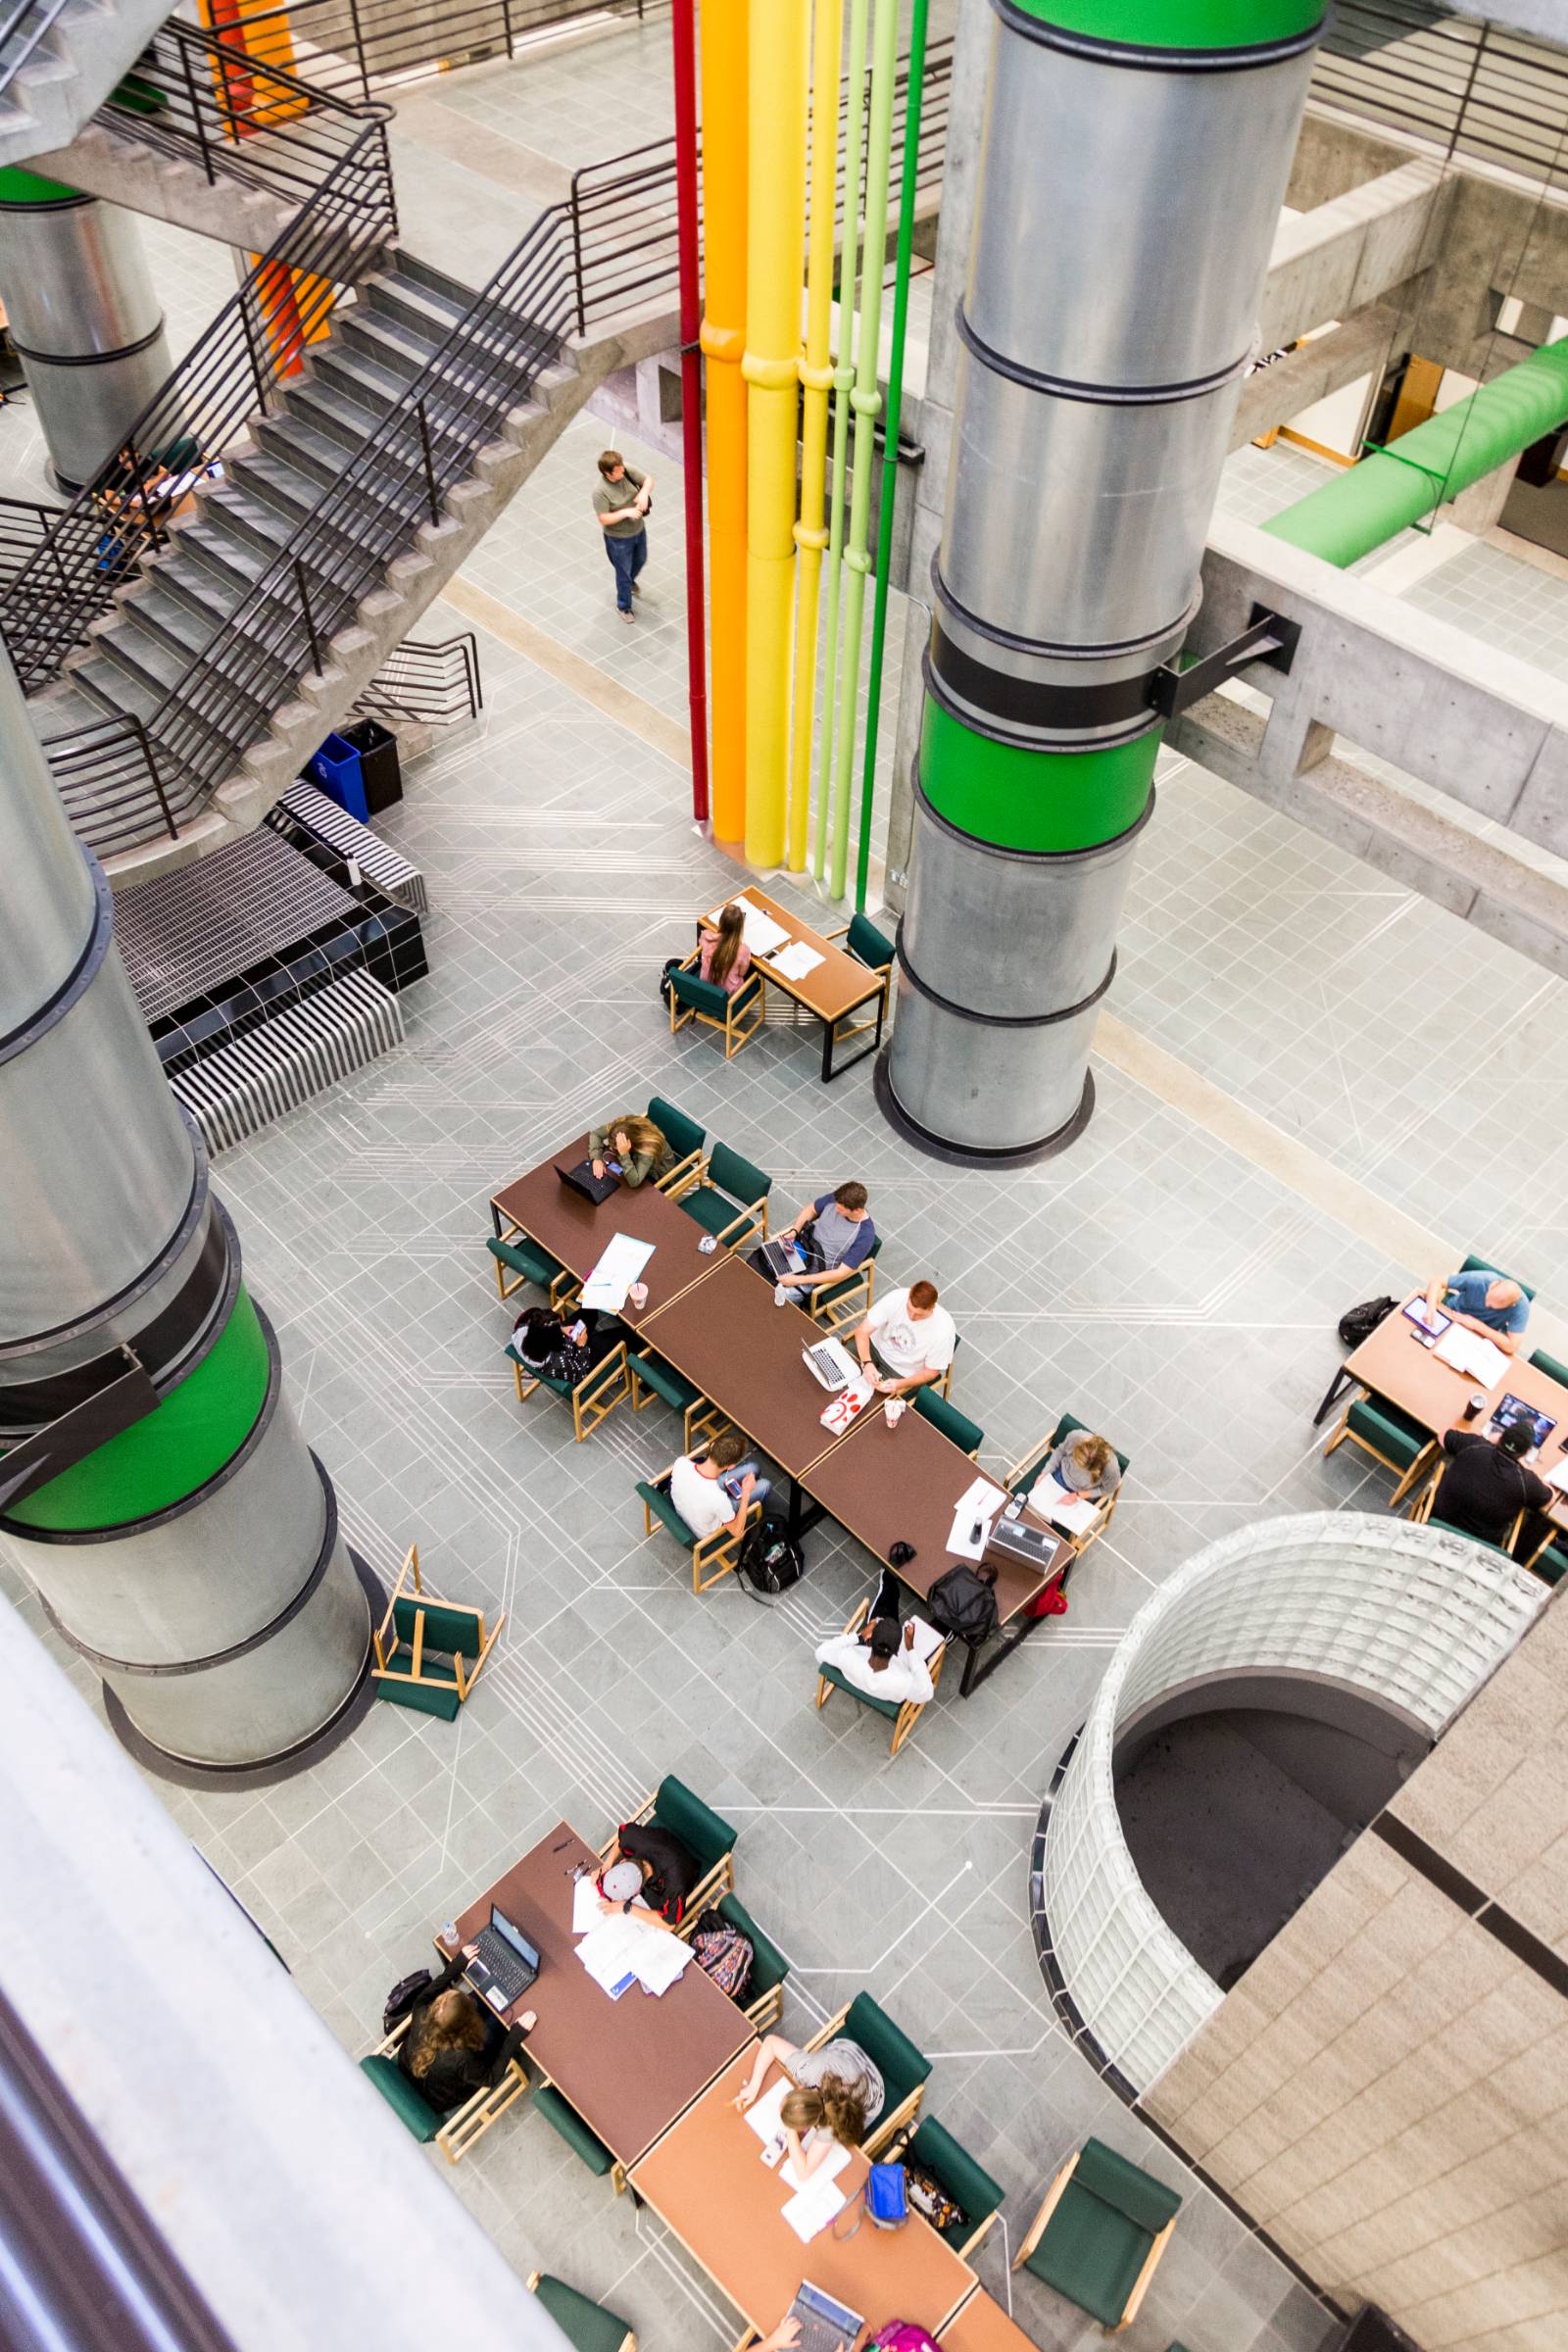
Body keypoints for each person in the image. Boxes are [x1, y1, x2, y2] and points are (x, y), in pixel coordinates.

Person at [733, 2029, 885, 2181]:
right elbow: (771, 2042)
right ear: (802, 2090)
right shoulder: (808, 2071)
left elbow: (803, 2173)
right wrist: (754, 2084)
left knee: (842, 2142)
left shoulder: (833, 2120)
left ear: (813, 2124)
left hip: (874, 2089)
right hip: (847, 2052)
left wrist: (790, 2130)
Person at [395, 1953, 533, 2117]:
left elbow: (429, 1993)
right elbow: (491, 2078)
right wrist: (515, 2036)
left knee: (486, 1996)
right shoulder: (462, 2058)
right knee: (497, 2023)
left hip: (411, 2066)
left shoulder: (421, 2010)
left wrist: (459, 1962)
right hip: (441, 2095)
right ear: (466, 2024)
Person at [1430, 1417, 1551, 1548]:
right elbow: (1550, 1499)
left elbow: (1442, 1435)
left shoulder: (1474, 1444)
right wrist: (1524, 1467)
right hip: (1478, 1546)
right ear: (1526, 1452)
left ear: (1500, 1437)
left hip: (1437, 1522)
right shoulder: (1527, 1481)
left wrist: (1486, 1440)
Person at [761, 1180, 876, 1305]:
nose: (836, 1211)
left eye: (841, 1210)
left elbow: (840, 1273)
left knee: (773, 1298)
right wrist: (795, 1230)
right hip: (801, 1248)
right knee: (760, 1265)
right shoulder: (837, 1198)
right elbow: (811, 1209)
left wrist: (797, 1280)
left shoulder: (865, 1235)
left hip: (816, 1272)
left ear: (857, 1211)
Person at [851, 1279, 956, 1397]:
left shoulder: (944, 1330)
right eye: (909, 1309)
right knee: (840, 1369)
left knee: (871, 1402)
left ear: (932, 1308)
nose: (912, 1317)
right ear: (909, 1295)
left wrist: (900, 1384)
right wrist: (867, 1362)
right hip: (873, 1347)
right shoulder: (897, 1297)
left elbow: (931, 1372)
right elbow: (862, 1331)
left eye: (918, 1314)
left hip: (901, 1372)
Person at [815, 1613, 936, 1709]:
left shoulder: (847, 1657)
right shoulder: (903, 1682)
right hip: (888, 1687)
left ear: (870, 1641)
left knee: (884, 1606)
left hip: (857, 1674)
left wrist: (859, 1636)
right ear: (897, 1651)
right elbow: (927, 1693)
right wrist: (910, 1648)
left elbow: (820, 1652)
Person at [667, 1429, 769, 1541]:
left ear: (712, 1446)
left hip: (689, 1506)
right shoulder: (720, 1499)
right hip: (704, 1528)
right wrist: (746, 1494)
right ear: (731, 1466)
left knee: (753, 1468)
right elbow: (737, 1532)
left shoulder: (681, 1462)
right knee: (765, 1485)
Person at [602, 1815, 702, 1925]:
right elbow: (621, 1837)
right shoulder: (632, 1838)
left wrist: (627, 1908)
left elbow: (669, 1924)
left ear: (638, 1891)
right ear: (623, 1862)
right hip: (662, 1842)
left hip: (686, 1868)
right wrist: (607, 1863)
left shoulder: (675, 1882)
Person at [593, 449, 653, 620]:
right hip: (619, 539)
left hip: (638, 529)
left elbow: (648, 480)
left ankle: (628, 582)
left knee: (641, 559)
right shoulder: (600, 492)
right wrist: (626, 513)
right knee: (623, 572)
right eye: (618, 471)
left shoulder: (625, 469)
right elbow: (603, 518)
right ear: (607, 473)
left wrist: (643, 493)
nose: (622, 472)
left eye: (622, 468)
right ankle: (624, 606)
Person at [1423, 1265, 1530, 1354]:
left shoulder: (1521, 1307)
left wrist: (1476, 1325)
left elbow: (1511, 1346)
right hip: (1452, 1314)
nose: (1487, 1304)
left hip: (1480, 1336)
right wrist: (1430, 1308)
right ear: (1493, 1285)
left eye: (1492, 1306)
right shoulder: (1478, 1279)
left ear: (1511, 1305)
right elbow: (1437, 1281)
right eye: (1488, 1298)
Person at [511, 1303, 619, 1383]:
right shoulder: (558, 1364)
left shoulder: (523, 1332)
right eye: (556, 1329)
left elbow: (542, 1332)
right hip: (580, 1360)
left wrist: (562, 1329)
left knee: (590, 1310)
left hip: (561, 1345)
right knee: (623, 1335)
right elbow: (580, 1372)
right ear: (550, 1340)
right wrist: (582, 1346)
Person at [586, 1113, 673, 1190]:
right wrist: (596, 1159)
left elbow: (635, 1182)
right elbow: (596, 1134)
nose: (612, 1150)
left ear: (630, 1144)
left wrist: (624, 1154)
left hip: (656, 1170)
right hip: (635, 1156)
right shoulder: (620, 1125)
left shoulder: (648, 1148)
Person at [1037, 1427, 1121, 1503]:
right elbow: (1060, 1451)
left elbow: (1107, 1489)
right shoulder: (1076, 1436)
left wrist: (1077, 1496)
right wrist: (1045, 1472)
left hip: (1085, 1492)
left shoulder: (1111, 1468)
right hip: (1062, 1476)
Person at [698, 902, 753, 997]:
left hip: (705, 987)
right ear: (740, 927)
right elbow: (742, 973)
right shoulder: (743, 950)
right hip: (727, 996)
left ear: (720, 921)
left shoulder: (706, 936)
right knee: (753, 974)